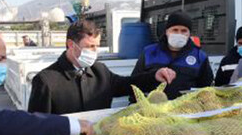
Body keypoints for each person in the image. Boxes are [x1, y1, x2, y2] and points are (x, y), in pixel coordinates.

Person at [28, 20, 176, 114]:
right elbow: (38, 125)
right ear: (71, 45)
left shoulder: (100, 71)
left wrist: (154, 76)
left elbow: (126, 85)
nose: (94, 52)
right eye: (89, 46)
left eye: (97, 46)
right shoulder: (46, 81)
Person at [130, 11, 213, 100]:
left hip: (184, 110)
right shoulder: (149, 52)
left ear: (189, 33)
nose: (179, 34)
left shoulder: (200, 57)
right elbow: (135, 83)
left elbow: (206, 88)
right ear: (167, 31)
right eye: (175, 30)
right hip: (153, 110)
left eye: (184, 31)